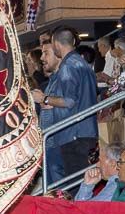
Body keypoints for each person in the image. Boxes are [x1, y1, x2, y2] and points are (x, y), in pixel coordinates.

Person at [33, 27, 98, 186]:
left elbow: (69, 101)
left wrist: (45, 99)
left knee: (73, 186)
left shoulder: (68, 65)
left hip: (74, 135)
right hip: (82, 132)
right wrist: (51, 102)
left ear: (56, 44)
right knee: (78, 183)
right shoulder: (81, 63)